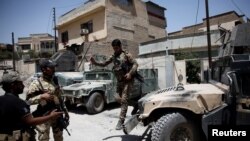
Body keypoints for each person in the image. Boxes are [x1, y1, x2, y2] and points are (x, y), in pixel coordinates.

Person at [90, 39, 139, 130]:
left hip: (127, 81)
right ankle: (135, 104)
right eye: (114, 48)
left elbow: (135, 64)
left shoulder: (126, 55)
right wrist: (95, 62)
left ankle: (121, 121)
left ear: (120, 46)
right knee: (117, 98)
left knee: (124, 100)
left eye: (117, 48)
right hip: (119, 81)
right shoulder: (113, 57)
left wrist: (130, 73)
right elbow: (104, 64)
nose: (115, 50)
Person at [0, 70, 63, 141]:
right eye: (20, 84)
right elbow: (30, 121)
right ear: (13, 85)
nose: (23, 86)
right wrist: (51, 116)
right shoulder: (18, 102)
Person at [26, 59, 69, 141]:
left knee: (59, 137)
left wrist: (66, 113)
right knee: (44, 139)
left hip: (57, 114)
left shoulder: (54, 81)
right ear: (44, 69)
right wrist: (41, 97)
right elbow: (27, 101)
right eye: (51, 67)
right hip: (44, 116)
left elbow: (60, 99)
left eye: (54, 67)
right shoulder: (36, 83)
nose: (54, 69)